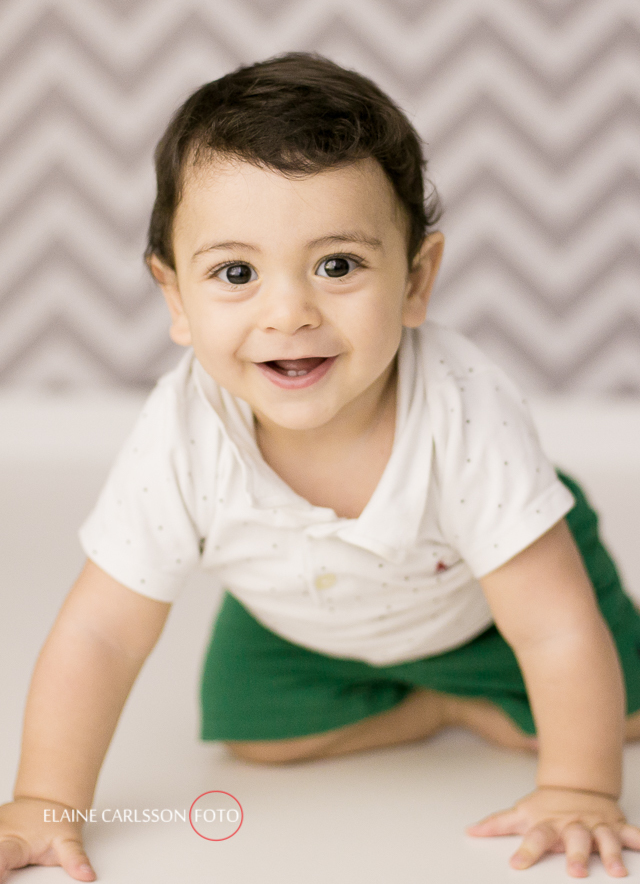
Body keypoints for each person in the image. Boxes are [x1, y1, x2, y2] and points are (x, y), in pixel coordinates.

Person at [1, 53, 640, 882]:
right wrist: (45, 802)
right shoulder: (182, 432)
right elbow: (101, 633)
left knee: (619, 713)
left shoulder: (463, 408)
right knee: (254, 738)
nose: (290, 312)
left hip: (489, 602)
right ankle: (435, 707)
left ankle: (482, 692)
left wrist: (579, 789)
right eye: (236, 273)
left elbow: (552, 626)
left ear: (415, 281)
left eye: (338, 265)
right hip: (305, 618)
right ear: (175, 298)